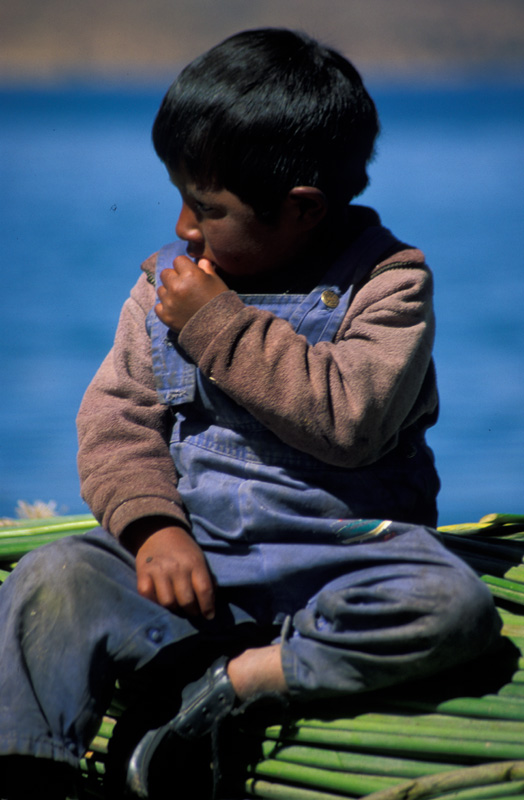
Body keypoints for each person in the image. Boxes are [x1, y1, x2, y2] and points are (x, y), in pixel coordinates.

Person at [0, 27, 502, 800]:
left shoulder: (391, 290)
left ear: (301, 210)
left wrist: (215, 323)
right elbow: (115, 423)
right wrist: (155, 529)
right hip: (198, 570)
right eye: (179, 198)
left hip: (344, 566)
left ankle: (239, 682)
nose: (182, 229)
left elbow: (348, 420)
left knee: (454, 607)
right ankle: (29, 771)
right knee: (50, 577)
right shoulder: (164, 287)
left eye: (207, 207)